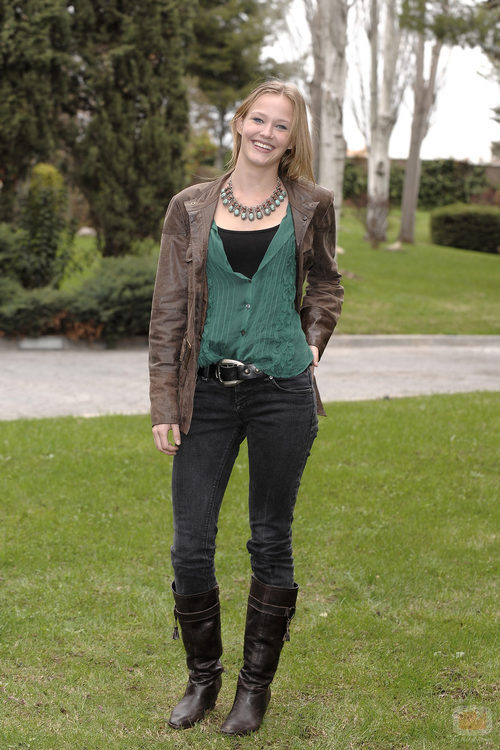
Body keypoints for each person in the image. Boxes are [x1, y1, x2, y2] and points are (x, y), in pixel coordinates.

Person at [149, 80, 344, 736]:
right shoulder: (189, 206)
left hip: (282, 391)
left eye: (280, 126)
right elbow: (168, 309)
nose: (266, 132)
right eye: (258, 119)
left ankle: (253, 691)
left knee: (270, 536)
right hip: (204, 394)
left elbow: (326, 282)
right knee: (189, 545)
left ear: (292, 140)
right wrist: (163, 401)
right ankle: (202, 679)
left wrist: (312, 342)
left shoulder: (312, 204)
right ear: (238, 123)